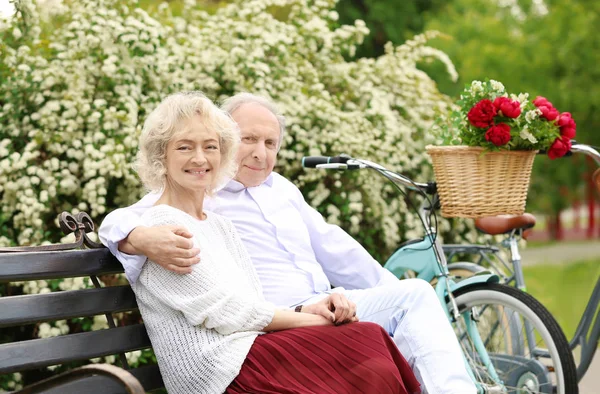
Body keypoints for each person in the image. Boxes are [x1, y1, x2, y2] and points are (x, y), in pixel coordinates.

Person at [100, 93, 476, 394]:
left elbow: (336, 248)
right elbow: (123, 220)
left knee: (404, 305)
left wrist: (344, 300)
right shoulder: (194, 197)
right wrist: (136, 237)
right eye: (249, 139)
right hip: (259, 334)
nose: (260, 153)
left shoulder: (278, 191)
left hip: (302, 312)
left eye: (270, 143)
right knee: (371, 343)